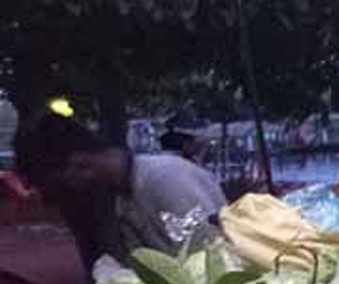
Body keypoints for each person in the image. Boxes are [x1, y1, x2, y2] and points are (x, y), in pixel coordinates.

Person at [12, 112, 228, 273]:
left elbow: (210, 260)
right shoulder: (119, 197)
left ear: (79, 165)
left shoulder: (166, 180)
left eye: (58, 183)